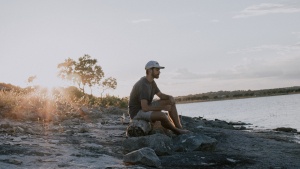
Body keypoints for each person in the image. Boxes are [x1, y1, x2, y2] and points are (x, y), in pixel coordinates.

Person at [128, 60, 190, 135]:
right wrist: (163, 108)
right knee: (162, 115)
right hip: (137, 112)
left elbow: (161, 95)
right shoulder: (143, 85)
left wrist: (169, 97)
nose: (159, 72)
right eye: (157, 70)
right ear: (150, 70)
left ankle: (179, 127)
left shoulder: (152, 82)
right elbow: (145, 108)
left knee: (170, 102)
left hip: (145, 108)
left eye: (159, 70)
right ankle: (176, 131)